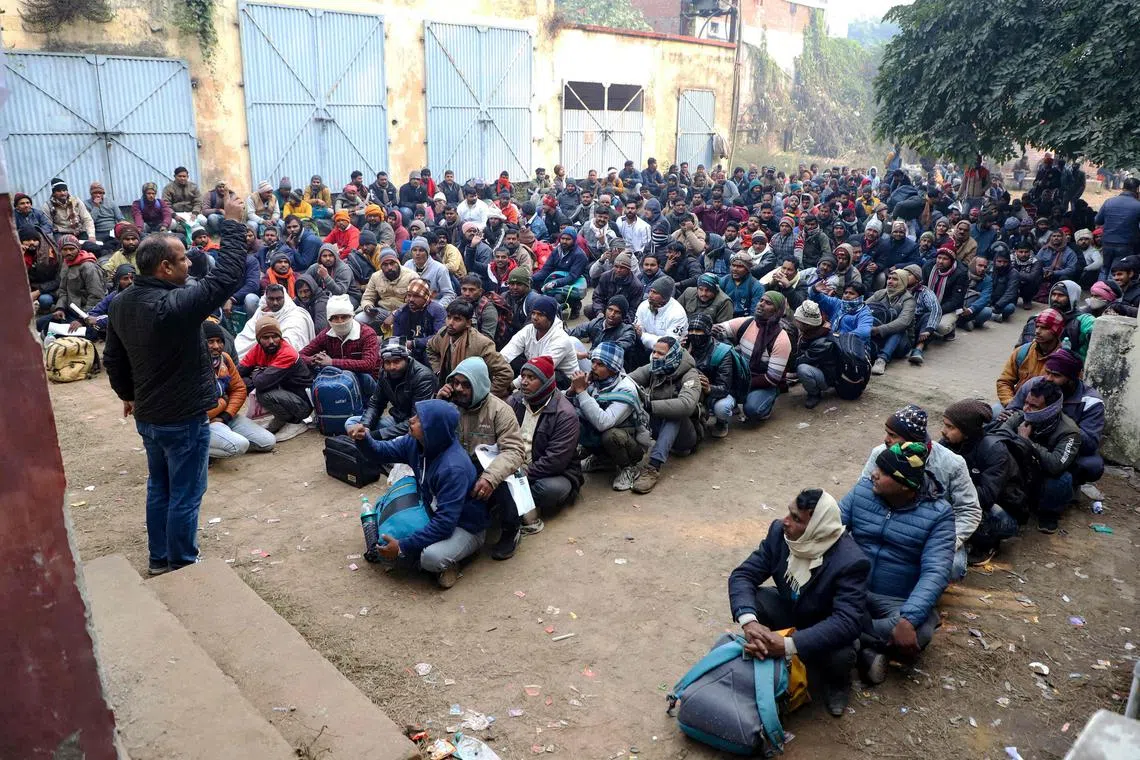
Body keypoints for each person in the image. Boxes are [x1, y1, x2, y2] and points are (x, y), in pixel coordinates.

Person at [103, 191, 246, 574]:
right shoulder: (173, 306)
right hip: (182, 419)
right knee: (184, 493)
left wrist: (129, 395)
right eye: (183, 258)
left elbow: (113, 359)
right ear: (165, 268)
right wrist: (231, 224)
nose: (189, 263)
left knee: (159, 488)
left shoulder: (121, 302)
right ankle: (181, 563)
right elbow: (225, 278)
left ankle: (158, 558)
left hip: (148, 416)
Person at [729, 488, 869, 716]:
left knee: (842, 654)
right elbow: (743, 575)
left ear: (817, 528)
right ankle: (771, 657)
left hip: (823, 625)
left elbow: (846, 622)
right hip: (792, 611)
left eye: (796, 519)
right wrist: (749, 623)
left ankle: (837, 683)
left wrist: (788, 644)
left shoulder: (850, 561)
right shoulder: (780, 534)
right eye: (789, 513)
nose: (785, 521)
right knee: (756, 601)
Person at [840, 442, 955, 683]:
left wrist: (908, 619)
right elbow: (831, 530)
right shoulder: (862, 491)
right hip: (852, 586)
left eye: (882, 473)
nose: (873, 474)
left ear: (905, 486)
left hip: (895, 600)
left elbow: (936, 570)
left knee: (918, 630)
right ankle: (866, 648)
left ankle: (844, 636)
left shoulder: (940, 514)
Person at [354, 399, 486, 588]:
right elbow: (381, 452)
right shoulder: (415, 442)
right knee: (395, 525)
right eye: (415, 414)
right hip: (432, 507)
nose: (411, 420)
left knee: (431, 558)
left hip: (464, 525)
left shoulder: (453, 467)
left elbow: (445, 524)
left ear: (434, 430)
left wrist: (402, 547)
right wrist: (364, 439)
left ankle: (457, 560)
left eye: (419, 420)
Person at [861, 405, 980, 581]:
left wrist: (944, 543)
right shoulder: (880, 453)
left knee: (951, 568)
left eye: (893, 435)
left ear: (912, 441)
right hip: (889, 525)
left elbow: (970, 511)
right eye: (887, 433)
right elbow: (863, 494)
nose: (886, 440)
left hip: (934, 534)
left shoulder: (952, 464)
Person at [436, 357, 526, 561]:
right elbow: (427, 434)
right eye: (455, 382)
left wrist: (490, 477)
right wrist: (438, 404)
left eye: (466, 385)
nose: (458, 389)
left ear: (479, 385)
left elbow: (514, 451)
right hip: (460, 465)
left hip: (491, 468)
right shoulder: (450, 405)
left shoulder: (500, 410)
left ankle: (511, 529)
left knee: (503, 483)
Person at [1003, 349, 1104, 487]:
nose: (1049, 379)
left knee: (1091, 466)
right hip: (1028, 435)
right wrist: (1015, 415)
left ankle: (1066, 485)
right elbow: (1014, 409)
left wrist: (1056, 421)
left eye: (1056, 375)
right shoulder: (1036, 385)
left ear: (1073, 378)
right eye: (1047, 372)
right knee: (997, 413)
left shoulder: (1091, 402)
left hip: (1061, 446)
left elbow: (1090, 443)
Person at [991, 381, 1080, 534]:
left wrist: (1026, 442)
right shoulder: (1021, 416)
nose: (1026, 408)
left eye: (1034, 406)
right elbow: (998, 437)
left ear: (1051, 409)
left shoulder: (1069, 432)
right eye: (1026, 403)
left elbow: (1055, 464)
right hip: (1021, 472)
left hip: (1044, 476)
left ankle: (1049, 513)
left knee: (1061, 480)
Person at [507, 356, 584, 523]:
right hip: (514, 466)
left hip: (552, 473)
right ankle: (517, 502)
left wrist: (521, 476)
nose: (524, 382)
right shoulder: (514, 401)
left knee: (546, 489)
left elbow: (555, 461)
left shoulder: (565, 414)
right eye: (523, 377)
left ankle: (517, 502)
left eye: (531, 378)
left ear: (545, 383)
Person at [937, 400, 1013, 566]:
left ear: (967, 431)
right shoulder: (947, 444)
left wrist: (950, 489)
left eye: (950, 427)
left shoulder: (994, 450)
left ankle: (986, 544)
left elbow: (986, 497)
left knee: (1002, 523)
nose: (943, 431)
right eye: (945, 425)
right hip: (960, 498)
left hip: (993, 506)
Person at [567, 342, 650, 491]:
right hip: (605, 436)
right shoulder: (597, 381)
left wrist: (581, 392)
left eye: (601, 364)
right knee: (572, 418)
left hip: (630, 445)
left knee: (610, 435)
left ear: (613, 369)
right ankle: (603, 460)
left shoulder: (626, 389)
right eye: (593, 362)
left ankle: (628, 468)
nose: (593, 367)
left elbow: (603, 422)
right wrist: (572, 391)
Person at [626, 337, 702, 494]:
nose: (654, 356)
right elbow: (628, 381)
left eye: (660, 353)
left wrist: (649, 405)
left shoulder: (691, 375)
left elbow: (686, 405)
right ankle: (624, 460)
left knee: (674, 414)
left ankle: (653, 468)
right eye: (654, 351)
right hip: (658, 426)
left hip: (686, 437)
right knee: (629, 400)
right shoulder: (656, 367)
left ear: (672, 354)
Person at [202, 321, 276, 459]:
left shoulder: (224, 359)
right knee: (239, 445)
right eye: (210, 342)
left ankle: (220, 439)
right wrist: (223, 402)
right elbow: (198, 410)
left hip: (224, 416)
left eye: (219, 341)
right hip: (202, 423)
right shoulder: (192, 367)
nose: (216, 346)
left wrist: (225, 416)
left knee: (268, 442)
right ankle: (188, 450)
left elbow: (239, 389)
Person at [714, 292, 791, 423]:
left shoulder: (781, 339)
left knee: (752, 410)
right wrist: (711, 330)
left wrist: (742, 384)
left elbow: (772, 378)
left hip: (765, 383)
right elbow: (720, 329)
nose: (761, 304)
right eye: (761, 300)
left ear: (777, 311)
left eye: (768, 303)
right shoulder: (747, 323)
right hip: (743, 375)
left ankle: (768, 400)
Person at [426, 299, 514, 397]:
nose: (450, 323)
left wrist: (484, 395)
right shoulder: (443, 334)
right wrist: (438, 370)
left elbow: (505, 373)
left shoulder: (481, 344)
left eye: (457, 319)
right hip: (448, 390)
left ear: (468, 323)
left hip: (470, 396)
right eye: (449, 317)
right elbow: (430, 348)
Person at [300, 294, 380, 396]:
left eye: (344, 317)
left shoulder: (367, 333)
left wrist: (332, 362)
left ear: (352, 316)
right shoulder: (326, 334)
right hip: (338, 381)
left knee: (364, 376)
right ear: (329, 320)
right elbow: (300, 355)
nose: (340, 321)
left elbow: (368, 364)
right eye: (335, 318)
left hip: (367, 384)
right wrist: (314, 360)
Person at [500, 294, 580, 383]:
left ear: (550, 318)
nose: (535, 317)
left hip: (564, 381)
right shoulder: (528, 330)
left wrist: (512, 386)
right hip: (536, 370)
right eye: (533, 313)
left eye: (540, 314)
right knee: (512, 361)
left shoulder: (561, 339)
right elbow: (509, 350)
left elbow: (540, 369)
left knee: (544, 375)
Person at [996, 306, 1064, 405]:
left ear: (1056, 331)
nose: (1037, 331)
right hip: (1016, 404)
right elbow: (1004, 381)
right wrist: (1010, 403)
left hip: (1044, 411)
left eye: (1044, 328)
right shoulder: (1023, 351)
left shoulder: (1065, 361)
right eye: (1037, 326)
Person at [684, 313, 738, 438]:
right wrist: (683, 353)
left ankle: (721, 422)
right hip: (692, 389)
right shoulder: (686, 347)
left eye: (698, 330)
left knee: (721, 408)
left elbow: (724, 388)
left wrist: (709, 388)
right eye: (691, 330)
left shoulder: (722, 353)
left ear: (708, 332)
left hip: (716, 392)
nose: (694, 334)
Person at [234, 283, 316, 358]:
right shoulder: (261, 313)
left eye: (279, 299)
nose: (275, 303)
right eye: (271, 299)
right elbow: (243, 340)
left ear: (285, 298)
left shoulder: (297, 316)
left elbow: (290, 346)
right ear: (266, 299)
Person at [867, 269, 915, 375]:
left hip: (901, 342)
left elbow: (903, 322)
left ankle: (882, 359)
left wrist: (879, 329)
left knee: (899, 329)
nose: (890, 281)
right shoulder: (880, 293)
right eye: (889, 278)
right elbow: (863, 307)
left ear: (903, 281)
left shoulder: (908, 300)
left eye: (895, 279)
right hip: (878, 335)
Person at [533, 228, 588, 317]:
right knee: (535, 284)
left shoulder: (579, 255)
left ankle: (575, 304)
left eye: (568, 239)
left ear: (573, 240)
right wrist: (532, 278)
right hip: (556, 278)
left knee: (558, 297)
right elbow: (546, 270)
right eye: (563, 239)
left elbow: (572, 277)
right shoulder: (556, 251)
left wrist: (555, 283)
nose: (564, 241)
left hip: (573, 283)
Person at [390, 278, 447, 365]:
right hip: (407, 349)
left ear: (426, 297)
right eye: (409, 295)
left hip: (430, 349)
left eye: (416, 296)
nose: (411, 299)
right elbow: (397, 337)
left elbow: (439, 337)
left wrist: (414, 343)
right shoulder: (401, 312)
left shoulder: (437, 310)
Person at [1094, 176, 1140, 279]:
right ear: (1137, 189)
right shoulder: (1138, 205)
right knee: (1117, 271)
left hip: (1107, 242)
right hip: (1126, 244)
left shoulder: (1109, 202)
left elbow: (1098, 220)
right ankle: (1111, 293)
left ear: (1123, 188)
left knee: (1104, 269)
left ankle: (1098, 292)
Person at [807, 281, 873, 339]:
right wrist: (814, 290)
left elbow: (864, 332)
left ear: (860, 297)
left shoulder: (864, 313)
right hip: (831, 341)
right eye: (845, 293)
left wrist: (839, 336)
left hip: (850, 346)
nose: (847, 295)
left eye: (851, 293)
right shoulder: (838, 303)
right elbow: (817, 298)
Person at [404, 236, 456, 306]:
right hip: (411, 305)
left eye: (421, 250)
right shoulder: (407, 265)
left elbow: (449, 294)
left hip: (432, 306)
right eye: (414, 250)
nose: (417, 253)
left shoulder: (440, 269)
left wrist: (437, 308)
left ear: (427, 252)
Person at [22, 225, 60, 314]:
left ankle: (44, 311)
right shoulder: (17, 251)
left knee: (45, 300)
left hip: (47, 287)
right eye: (27, 240)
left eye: (35, 240)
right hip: (26, 287)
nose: (31, 243)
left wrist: (38, 292)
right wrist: (20, 256)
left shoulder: (50, 255)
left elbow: (58, 280)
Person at [720, 252, 766, 317]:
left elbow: (755, 312)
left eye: (740, 266)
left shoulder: (756, 287)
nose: (735, 269)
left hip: (745, 319)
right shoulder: (724, 281)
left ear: (747, 269)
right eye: (733, 265)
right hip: (724, 317)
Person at [956, 254, 994, 331]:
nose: (983, 268)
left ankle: (969, 322)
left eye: (985, 267)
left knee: (987, 311)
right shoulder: (962, 274)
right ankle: (963, 322)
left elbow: (985, 298)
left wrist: (971, 309)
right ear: (973, 265)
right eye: (980, 265)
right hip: (958, 306)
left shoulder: (987, 280)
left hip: (972, 309)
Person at [987, 244, 1021, 322]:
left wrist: (996, 306)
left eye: (1005, 262)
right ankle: (993, 315)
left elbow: (1010, 293)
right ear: (995, 260)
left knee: (1010, 308)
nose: (1002, 264)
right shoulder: (989, 268)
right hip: (989, 300)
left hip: (1002, 303)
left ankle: (990, 314)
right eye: (999, 261)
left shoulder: (1014, 273)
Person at [86, 181, 125, 245]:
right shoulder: (86, 204)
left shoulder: (111, 202)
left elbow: (120, 218)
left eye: (100, 193)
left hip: (112, 230)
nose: (98, 195)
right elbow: (90, 221)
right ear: (91, 194)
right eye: (95, 193)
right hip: (98, 232)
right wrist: (96, 206)